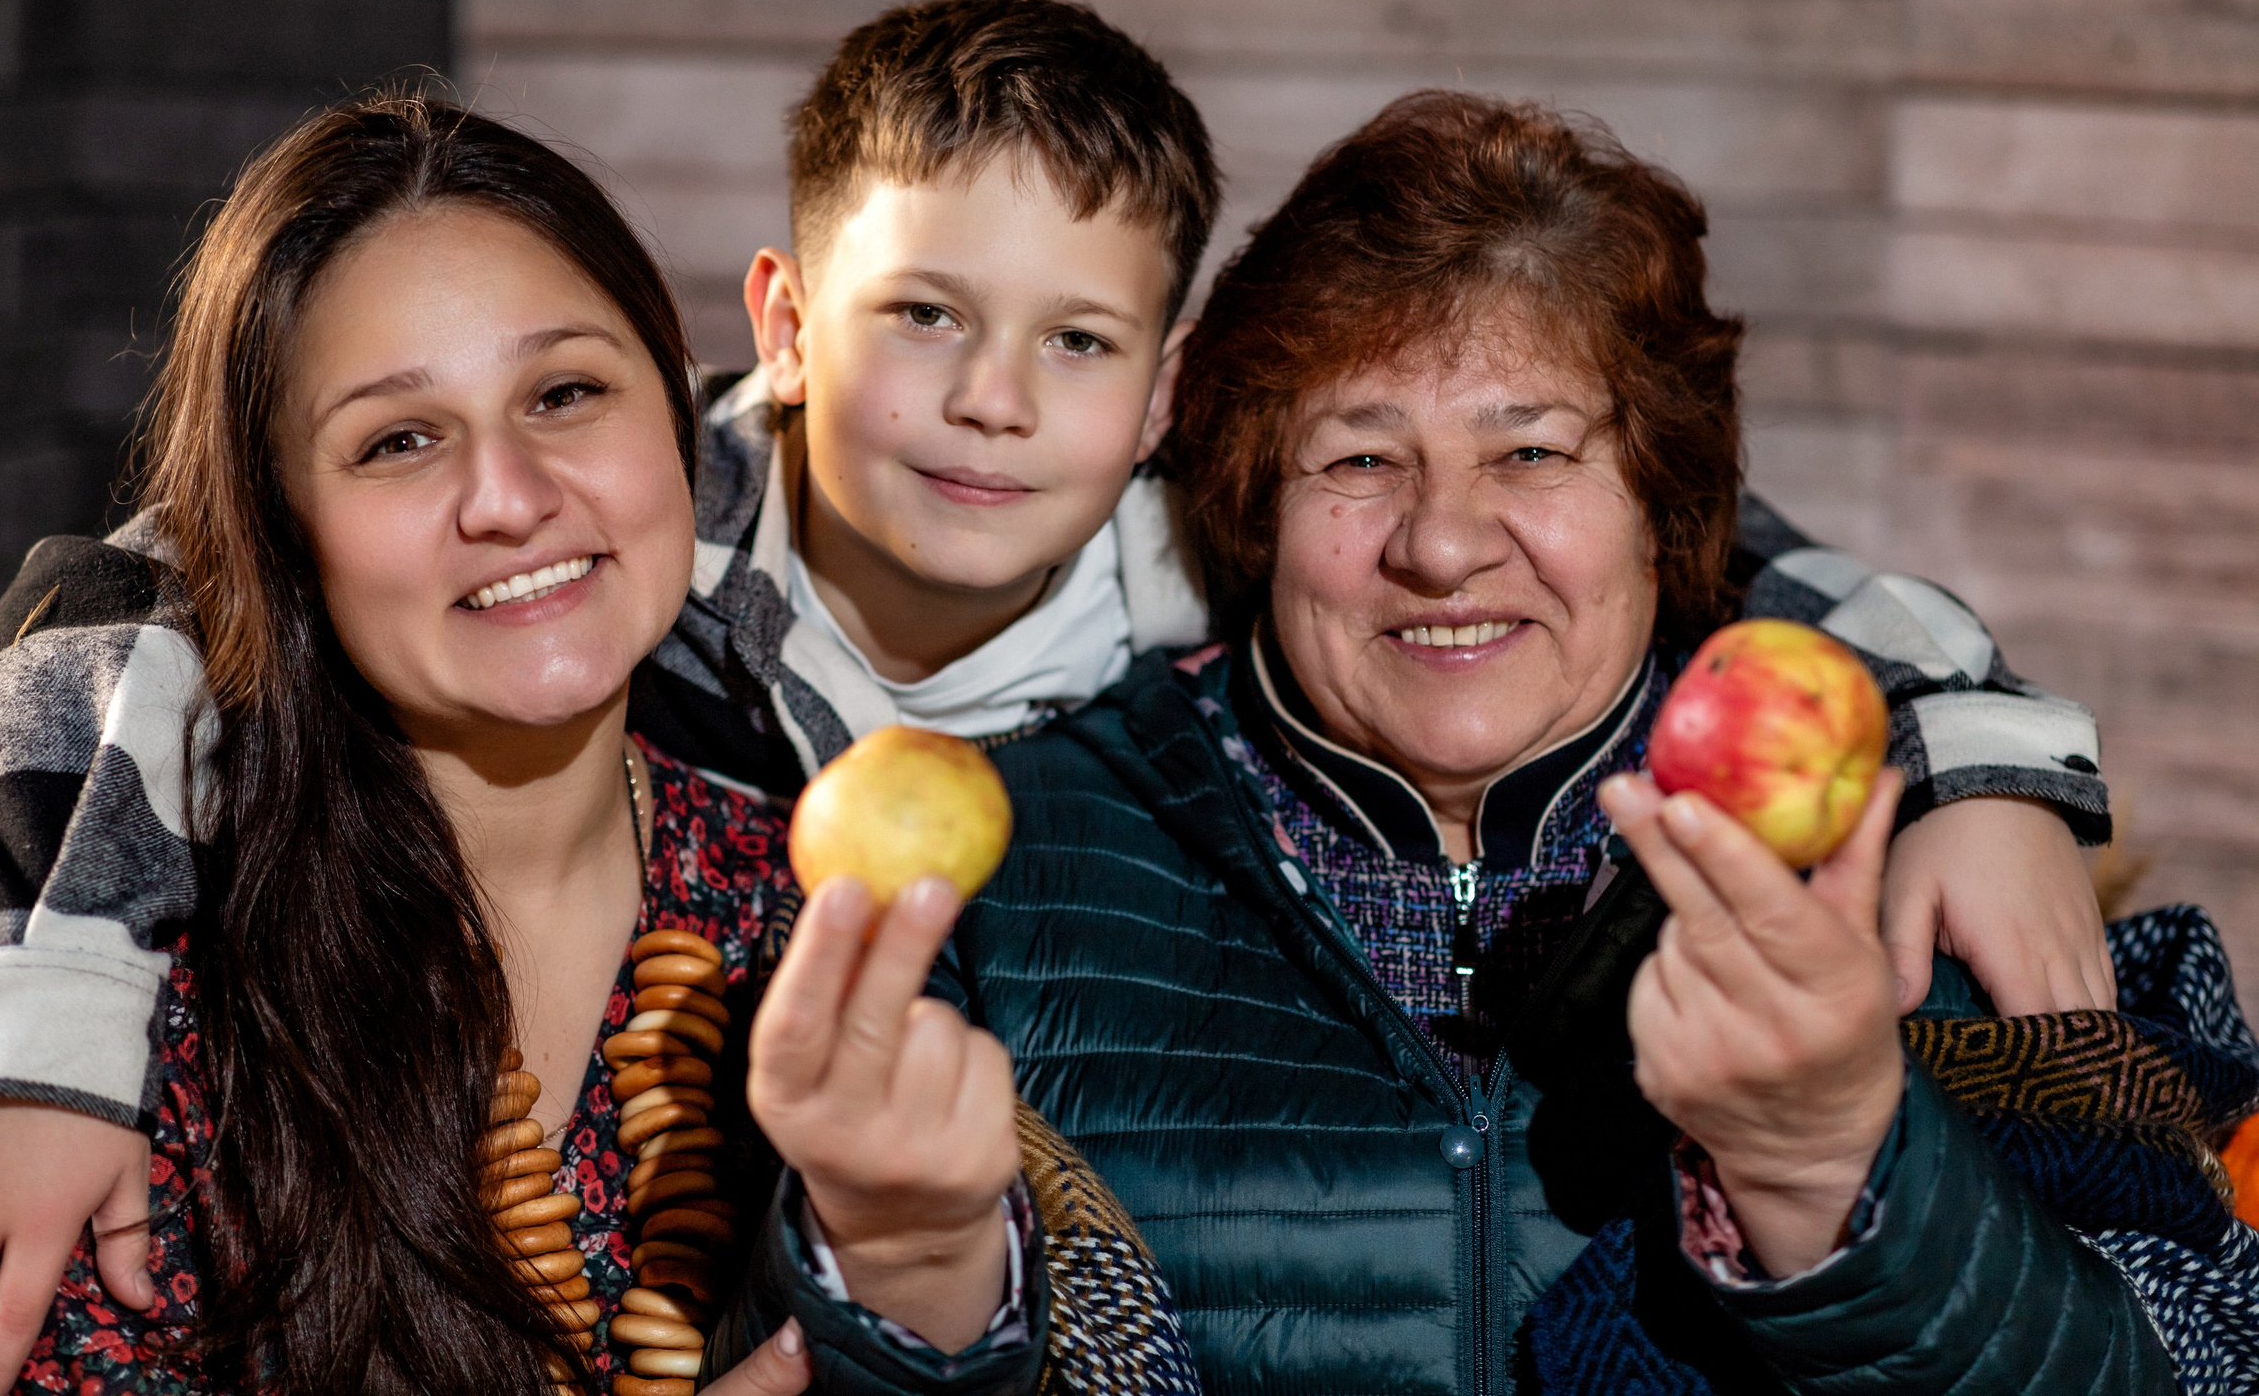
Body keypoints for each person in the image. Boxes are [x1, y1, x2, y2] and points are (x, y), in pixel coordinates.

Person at [0, 0, 2114, 1385]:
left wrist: (1981, 756)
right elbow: (131, 600)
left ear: (1163, 396)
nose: (990, 403)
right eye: (921, 314)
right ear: (781, 327)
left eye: (1076, 342)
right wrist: (31, 1021)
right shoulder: (651, 511)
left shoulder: (1210, 556)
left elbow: (1660, 538)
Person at [0, 95, 1146, 1395]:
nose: (508, 497)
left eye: (566, 393)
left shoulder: (796, 915)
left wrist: (924, 1267)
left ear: (684, 426)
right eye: (399, 440)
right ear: (283, 531)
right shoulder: (81, 993)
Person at [935, 90, 2239, 1393]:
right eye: (1360, 461)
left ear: (1657, 504)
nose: (1442, 544)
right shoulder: (995, 874)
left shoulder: (1904, 881)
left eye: (1531, 453)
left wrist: (1837, 1171)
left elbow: (2180, 1368)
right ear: (1255, 504)